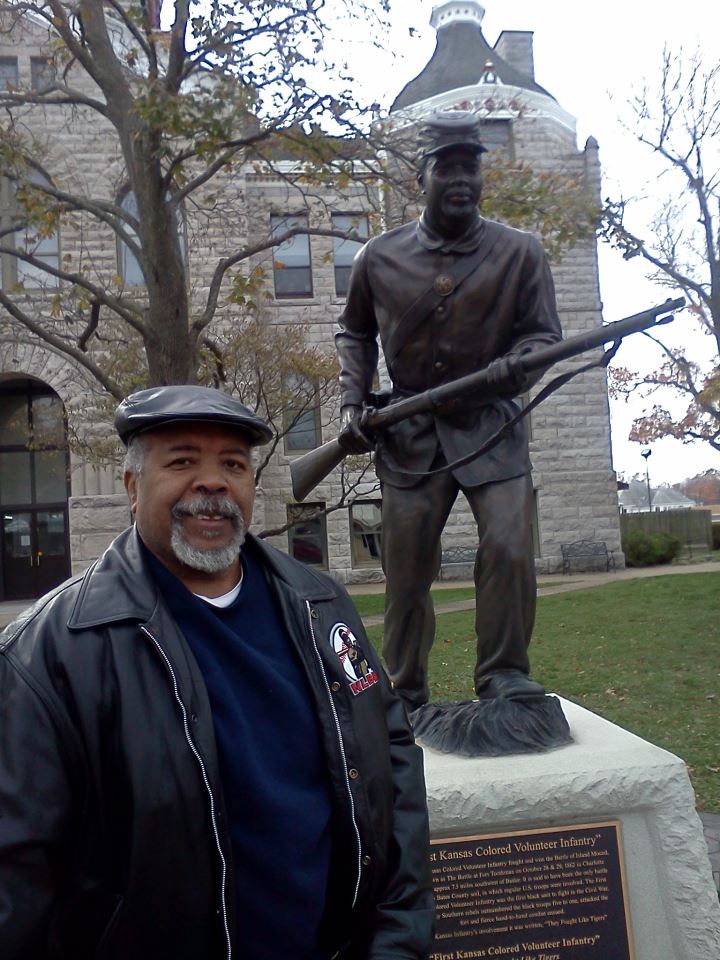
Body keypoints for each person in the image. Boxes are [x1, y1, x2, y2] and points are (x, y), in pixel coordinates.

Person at [0, 385, 434, 960]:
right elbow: (17, 881)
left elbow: (392, 763)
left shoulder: (319, 604)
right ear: (132, 488)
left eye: (233, 464)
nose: (212, 482)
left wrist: (397, 942)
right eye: (181, 461)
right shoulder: (51, 653)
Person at [335, 110, 563, 710]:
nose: (461, 179)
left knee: (511, 548)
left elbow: (543, 337)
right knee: (406, 571)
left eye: (471, 167)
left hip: (493, 427)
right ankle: (404, 688)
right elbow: (353, 332)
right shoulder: (377, 258)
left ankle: (505, 676)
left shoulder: (521, 253)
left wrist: (522, 364)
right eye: (447, 168)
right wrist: (352, 402)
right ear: (422, 177)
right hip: (411, 433)